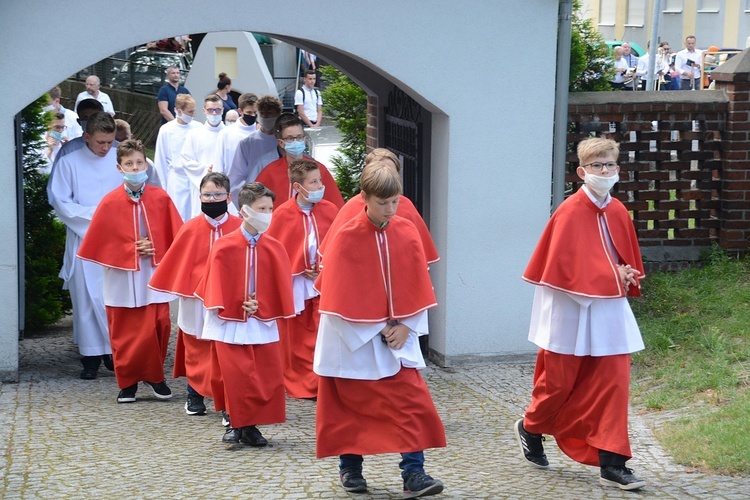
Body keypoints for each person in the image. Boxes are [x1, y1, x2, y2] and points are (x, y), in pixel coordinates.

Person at [514, 137, 647, 491]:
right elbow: (563, 267)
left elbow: (621, 256)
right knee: (557, 386)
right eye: (597, 166)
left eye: (610, 165)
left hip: (607, 311)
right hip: (568, 313)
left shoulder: (617, 210)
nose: (605, 172)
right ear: (581, 171)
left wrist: (627, 273)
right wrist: (611, 274)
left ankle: (613, 462)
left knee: (613, 383)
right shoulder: (570, 211)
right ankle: (530, 426)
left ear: (618, 168)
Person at [313, 162, 445, 497]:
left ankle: (414, 473)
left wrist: (407, 326)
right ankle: (350, 468)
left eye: (395, 202)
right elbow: (336, 297)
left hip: (398, 339)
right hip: (353, 339)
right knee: (350, 406)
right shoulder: (346, 236)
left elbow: (418, 284)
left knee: (411, 403)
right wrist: (375, 329)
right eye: (382, 202)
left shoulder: (406, 231)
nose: (390, 209)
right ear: (365, 198)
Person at [77, 139, 183, 403]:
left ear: (145, 164)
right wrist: (129, 250)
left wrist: (155, 248)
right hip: (121, 280)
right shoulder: (109, 203)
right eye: (129, 164)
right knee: (125, 331)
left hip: (152, 276)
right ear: (119, 168)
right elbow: (99, 244)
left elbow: (179, 238)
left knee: (158, 325)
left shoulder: (161, 197)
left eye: (139, 163)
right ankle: (128, 383)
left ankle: (155, 376)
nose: (135, 168)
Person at [194, 182, 295, 447]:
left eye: (271, 208)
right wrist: (235, 302)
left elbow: (280, 286)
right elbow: (215, 283)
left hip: (262, 321)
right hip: (230, 322)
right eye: (262, 208)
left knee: (262, 374)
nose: (268, 214)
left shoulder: (275, 247)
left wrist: (262, 304)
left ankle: (251, 426)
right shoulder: (225, 246)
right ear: (245, 211)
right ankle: (236, 423)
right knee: (235, 373)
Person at [149, 172, 242, 416]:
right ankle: (195, 394)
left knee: (226, 348)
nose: (212, 199)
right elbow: (178, 265)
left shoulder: (241, 228)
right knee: (196, 346)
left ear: (229, 197)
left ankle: (227, 401)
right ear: (199, 196)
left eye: (218, 194)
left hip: (229, 300)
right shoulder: (189, 229)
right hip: (195, 299)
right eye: (207, 195)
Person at [47, 112, 122, 379]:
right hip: (84, 239)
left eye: (110, 142)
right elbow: (60, 200)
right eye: (100, 142)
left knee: (112, 298)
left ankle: (114, 352)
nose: (106, 148)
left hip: (118, 241)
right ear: (86, 137)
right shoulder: (70, 162)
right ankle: (90, 357)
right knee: (86, 300)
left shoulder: (120, 159)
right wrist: (99, 216)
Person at [265, 159, 340, 399]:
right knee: (295, 337)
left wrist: (324, 269)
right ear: (298, 187)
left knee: (321, 332)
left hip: (323, 282)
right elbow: (274, 252)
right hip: (296, 284)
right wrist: (295, 269)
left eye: (320, 180)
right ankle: (297, 382)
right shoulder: (282, 215)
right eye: (314, 182)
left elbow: (340, 249)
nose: (320, 185)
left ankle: (321, 381)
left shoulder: (330, 210)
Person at [319, 148, 439, 266]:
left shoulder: (406, 206)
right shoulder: (351, 207)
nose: (390, 209)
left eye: (391, 172)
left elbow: (416, 257)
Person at [255, 114, 345, 209]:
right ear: (281, 143)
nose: (295, 141)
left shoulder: (319, 169)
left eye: (299, 137)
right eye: (290, 138)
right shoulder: (270, 172)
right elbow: (254, 203)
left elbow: (337, 206)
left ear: (305, 140)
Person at [179, 94, 226, 220]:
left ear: (223, 110)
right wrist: (206, 170)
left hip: (224, 186)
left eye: (218, 110)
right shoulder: (194, 134)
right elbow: (186, 160)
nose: (214, 113)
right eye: (211, 110)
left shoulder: (228, 134)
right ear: (204, 111)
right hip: (201, 185)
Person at [228, 95, 283, 201]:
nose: (265, 117)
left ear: (278, 114)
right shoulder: (247, 143)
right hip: (255, 198)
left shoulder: (284, 141)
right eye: (262, 113)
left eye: (269, 113)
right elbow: (236, 176)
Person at [154, 93, 200, 202]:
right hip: (176, 180)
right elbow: (161, 160)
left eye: (194, 111)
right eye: (190, 112)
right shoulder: (166, 130)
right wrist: (161, 187)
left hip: (195, 179)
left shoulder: (198, 128)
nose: (193, 114)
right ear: (179, 111)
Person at [213, 93, 258, 175]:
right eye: (249, 113)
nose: (253, 115)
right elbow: (218, 163)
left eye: (255, 112)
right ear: (240, 111)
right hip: (231, 184)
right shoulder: (226, 133)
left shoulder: (260, 133)